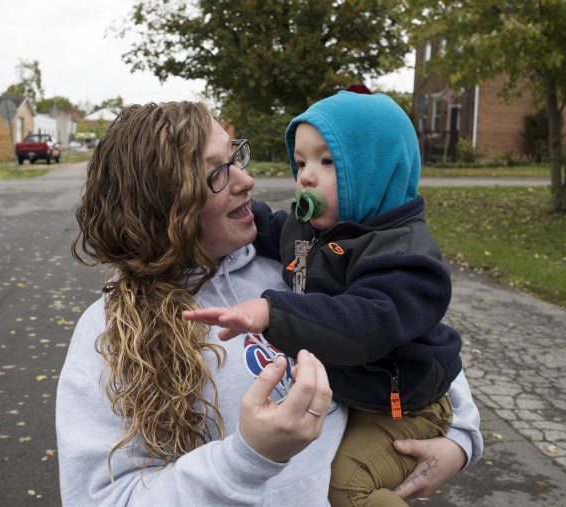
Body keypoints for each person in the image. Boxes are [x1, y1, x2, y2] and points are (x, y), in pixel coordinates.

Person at [56, 101, 483, 506]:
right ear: (163, 202)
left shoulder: (292, 263)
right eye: (216, 173)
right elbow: (105, 497)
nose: (246, 180)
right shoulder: (112, 333)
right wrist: (249, 456)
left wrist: (459, 442)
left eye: (235, 157)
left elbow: (408, 335)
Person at [183, 91, 466, 506]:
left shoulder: (405, 257)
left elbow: (364, 323)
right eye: (300, 163)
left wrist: (271, 310)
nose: (307, 177)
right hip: (362, 394)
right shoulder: (311, 230)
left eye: (328, 162)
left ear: (376, 170)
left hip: (406, 407)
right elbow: (266, 225)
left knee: (347, 484)